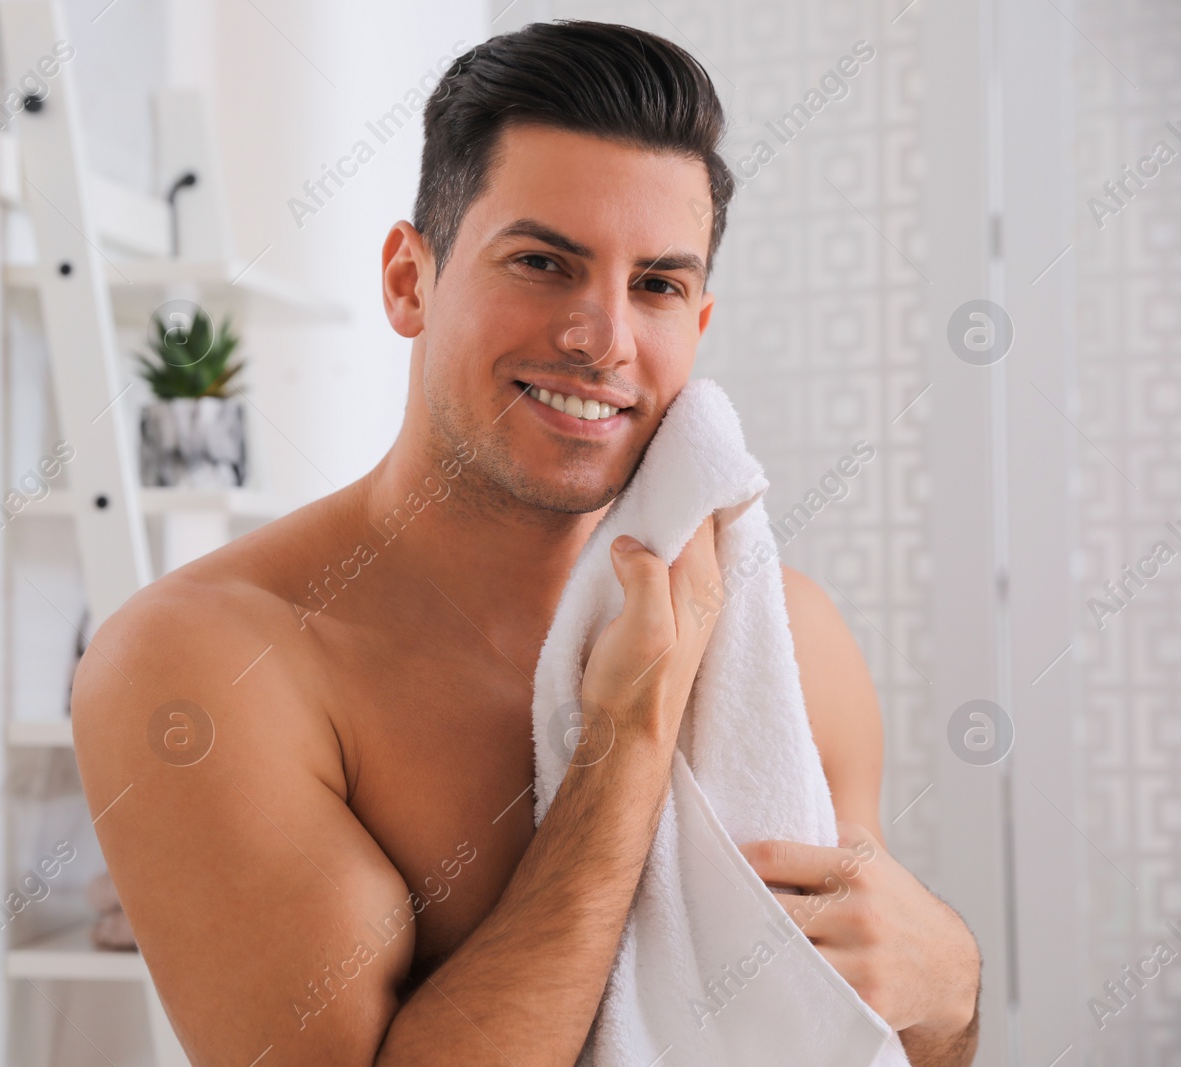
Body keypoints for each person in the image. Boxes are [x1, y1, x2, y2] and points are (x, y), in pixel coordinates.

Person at [71, 20, 980, 1066]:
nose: (602, 337)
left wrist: (953, 987)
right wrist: (620, 753)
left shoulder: (786, 636)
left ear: (698, 319)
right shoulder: (209, 666)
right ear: (410, 280)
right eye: (544, 261)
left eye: (657, 284)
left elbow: (875, 1034)